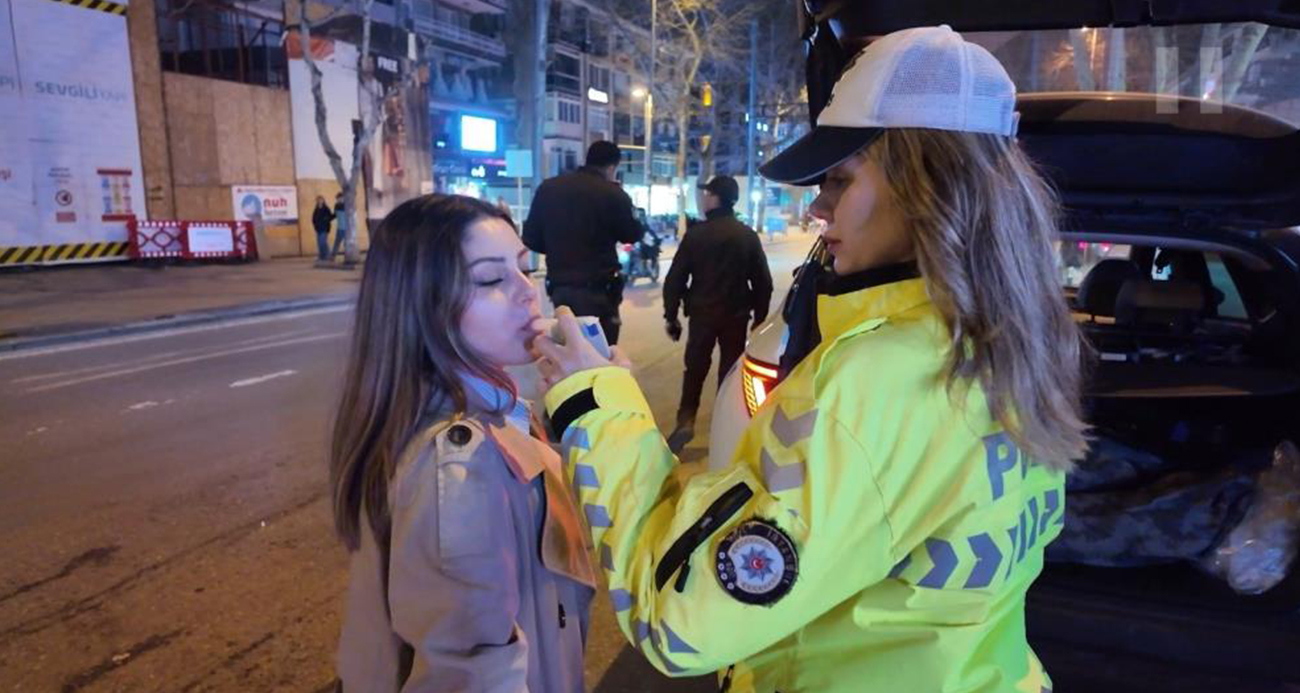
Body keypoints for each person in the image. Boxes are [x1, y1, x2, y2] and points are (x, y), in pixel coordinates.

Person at [532, 26, 1088, 692]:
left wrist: (596, 405)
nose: (818, 206)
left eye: (841, 179)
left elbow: (680, 620)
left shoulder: (876, 380)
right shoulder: (1012, 343)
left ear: (927, 188)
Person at [331, 194, 595, 691]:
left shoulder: (498, 411)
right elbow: (472, 673)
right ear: (423, 305)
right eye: (491, 279)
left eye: (525, 268)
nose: (527, 292)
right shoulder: (458, 463)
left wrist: (595, 416)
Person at [662, 175, 773, 452]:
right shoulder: (746, 236)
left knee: (695, 370)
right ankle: (726, 428)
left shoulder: (696, 235)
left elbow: (675, 278)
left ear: (715, 198)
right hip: (735, 317)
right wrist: (759, 319)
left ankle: (686, 420)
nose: (704, 199)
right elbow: (763, 282)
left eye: (707, 194)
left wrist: (671, 315)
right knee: (729, 374)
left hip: (702, 315)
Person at [523, 140, 643, 344]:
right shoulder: (613, 194)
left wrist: (557, 248)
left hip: (560, 289)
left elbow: (531, 238)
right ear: (612, 167)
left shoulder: (548, 188)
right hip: (599, 291)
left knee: (568, 347)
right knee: (600, 355)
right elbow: (631, 234)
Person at [311, 195, 334, 264]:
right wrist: (315, 225)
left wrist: (326, 219)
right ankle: (322, 256)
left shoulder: (326, 208)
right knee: (319, 243)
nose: (320, 201)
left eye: (321, 200)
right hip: (318, 229)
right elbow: (313, 218)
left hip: (324, 228)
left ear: (323, 201)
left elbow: (330, 217)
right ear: (317, 201)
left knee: (322, 242)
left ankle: (327, 256)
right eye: (318, 200)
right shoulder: (316, 209)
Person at [331, 192, 350, 260]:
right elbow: (335, 215)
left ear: (343, 198)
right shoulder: (336, 205)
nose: (339, 200)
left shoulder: (347, 205)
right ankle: (332, 256)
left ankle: (348, 256)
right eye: (338, 198)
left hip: (346, 228)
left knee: (346, 244)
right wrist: (328, 218)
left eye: (341, 198)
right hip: (339, 228)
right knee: (337, 242)